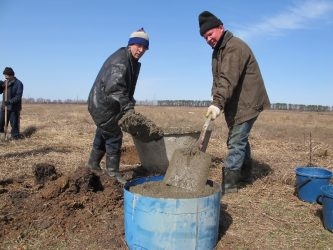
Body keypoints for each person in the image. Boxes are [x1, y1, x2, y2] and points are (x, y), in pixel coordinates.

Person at [198, 11, 270, 194]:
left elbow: (228, 79)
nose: (208, 39)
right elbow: (218, 81)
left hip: (248, 102)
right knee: (239, 139)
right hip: (236, 103)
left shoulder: (234, 47)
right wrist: (216, 100)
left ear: (220, 28)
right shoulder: (217, 52)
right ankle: (245, 174)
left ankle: (229, 187)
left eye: (210, 34)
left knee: (236, 142)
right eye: (205, 37)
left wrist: (218, 102)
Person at [86, 28, 149, 184]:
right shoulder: (121, 61)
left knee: (103, 132)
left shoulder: (128, 59)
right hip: (103, 105)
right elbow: (115, 88)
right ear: (130, 44)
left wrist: (130, 100)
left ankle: (92, 164)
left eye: (144, 47)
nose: (141, 50)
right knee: (114, 136)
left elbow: (123, 88)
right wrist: (128, 108)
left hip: (104, 104)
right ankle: (112, 173)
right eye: (138, 46)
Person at [0, 67, 24, 140]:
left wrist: (10, 101)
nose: (5, 77)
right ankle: (1, 137)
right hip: (4, 107)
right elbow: (0, 91)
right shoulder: (5, 83)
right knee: (0, 122)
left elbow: (18, 96)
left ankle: (15, 137)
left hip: (14, 108)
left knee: (14, 124)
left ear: (10, 75)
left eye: (6, 75)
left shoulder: (19, 83)